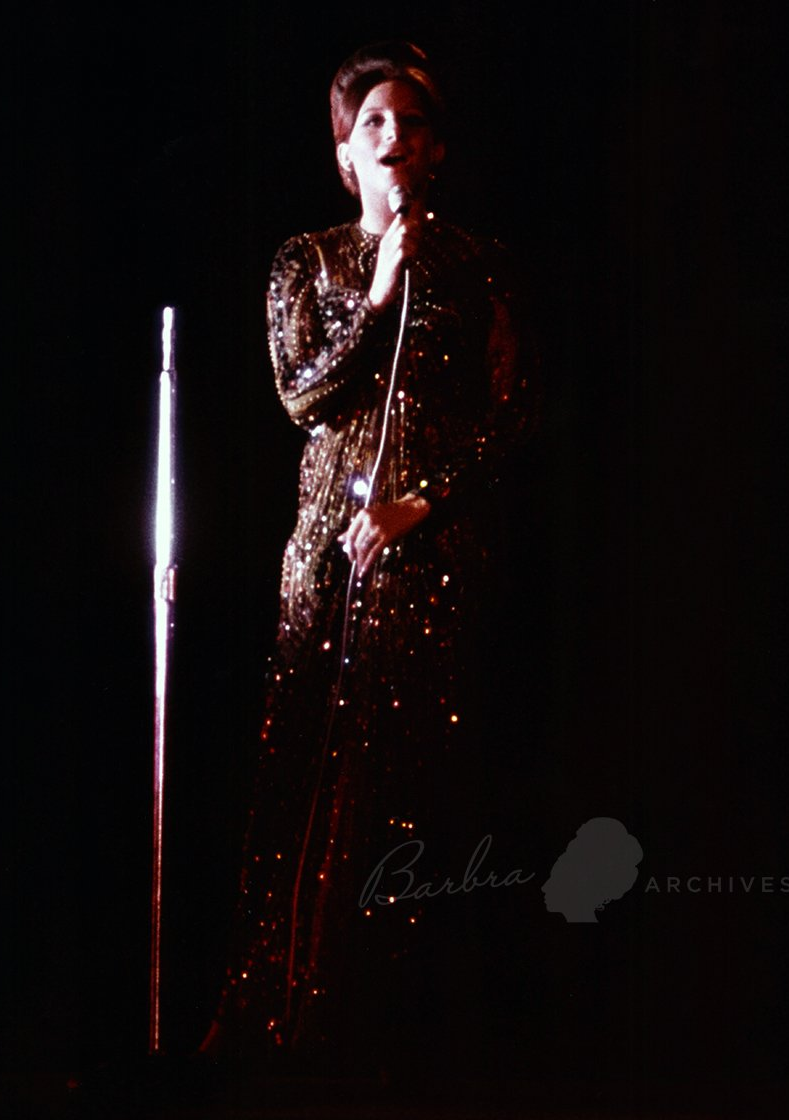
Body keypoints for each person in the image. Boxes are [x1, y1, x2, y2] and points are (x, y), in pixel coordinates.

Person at [201, 40, 540, 1082]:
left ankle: (390, 1028)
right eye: (374, 123)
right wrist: (377, 291)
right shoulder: (306, 261)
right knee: (304, 769)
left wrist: (421, 505)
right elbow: (300, 393)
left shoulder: (479, 265)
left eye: (412, 123)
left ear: (436, 150)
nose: (394, 138)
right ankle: (276, 1018)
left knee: (402, 783)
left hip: (428, 554)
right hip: (324, 556)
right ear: (347, 153)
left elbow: (511, 416)